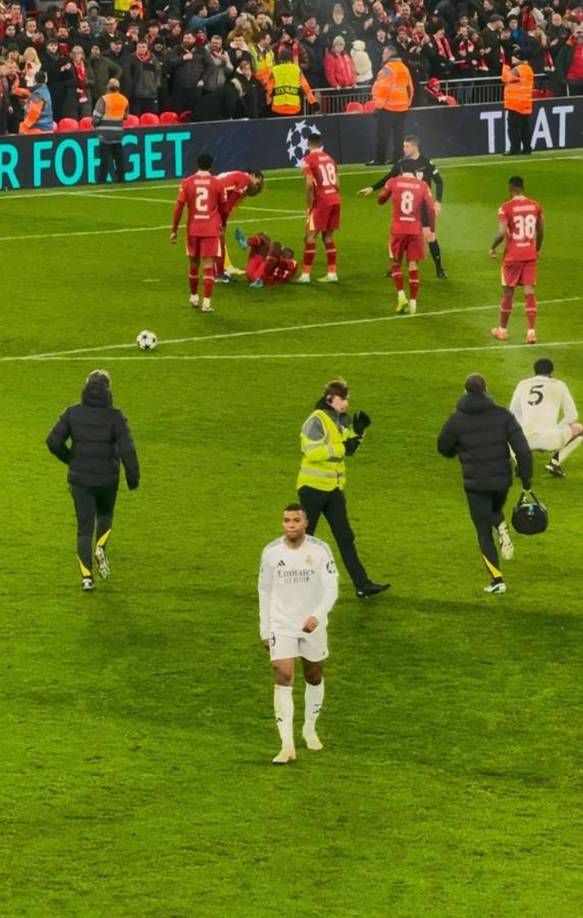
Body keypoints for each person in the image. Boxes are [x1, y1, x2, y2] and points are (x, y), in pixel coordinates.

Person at [437, 373, 532, 595]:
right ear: (486, 389)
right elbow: (522, 449)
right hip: (502, 482)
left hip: (476, 483)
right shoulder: (503, 415)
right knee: (493, 510)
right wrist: (526, 478)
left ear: (465, 391)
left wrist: (456, 450)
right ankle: (499, 523)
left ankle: (497, 579)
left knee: (482, 530)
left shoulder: (457, 418)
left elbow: (443, 446)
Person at [258, 503, 339, 764]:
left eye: (295, 521)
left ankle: (309, 728)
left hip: (311, 623)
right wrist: (264, 627)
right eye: (286, 521)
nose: (290, 525)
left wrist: (318, 615)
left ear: (305, 523)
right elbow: (265, 590)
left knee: (313, 675)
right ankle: (286, 745)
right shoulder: (271, 552)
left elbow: (331, 588)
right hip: (281, 624)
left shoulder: (319, 550)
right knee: (283, 674)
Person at [46, 369, 140, 592]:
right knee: (105, 514)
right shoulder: (116, 416)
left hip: (80, 481)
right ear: (108, 391)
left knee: (84, 528)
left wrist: (70, 459)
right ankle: (101, 547)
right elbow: (127, 449)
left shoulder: (72, 412)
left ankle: (87, 578)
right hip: (107, 479)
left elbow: (52, 441)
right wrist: (133, 477)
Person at [297, 378, 389, 600]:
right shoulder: (316, 420)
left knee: (345, 536)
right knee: (304, 538)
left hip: (333, 489)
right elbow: (311, 452)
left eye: (347, 399)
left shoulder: (339, 420)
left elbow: (349, 450)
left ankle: (362, 584)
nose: (346, 403)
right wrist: (342, 446)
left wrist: (359, 432)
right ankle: (292, 584)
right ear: (330, 399)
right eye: (343, 399)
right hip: (313, 488)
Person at [358, 135, 447, 279]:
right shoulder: (401, 163)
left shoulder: (427, 162)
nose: (404, 149)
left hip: (424, 206)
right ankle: (394, 268)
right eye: (403, 146)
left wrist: (438, 202)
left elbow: (439, 182)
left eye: (407, 146)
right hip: (408, 208)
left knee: (429, 236)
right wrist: (372, 187)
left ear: (414, 147)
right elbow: (389, 177)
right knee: (398, 236)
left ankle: (439, 269)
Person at [490, 175, 543, 345]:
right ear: (523, 187)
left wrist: (492, 247)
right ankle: (531, 333)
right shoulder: (535, 205)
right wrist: (537, 249)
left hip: (512, 255)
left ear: (510, 188)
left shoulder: (506, 207)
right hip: (529, 253)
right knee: (529, 291)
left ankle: (503, 330)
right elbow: (541, 231)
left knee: (508, 292)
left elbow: (501, 232)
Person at [509, 358, 583, 478]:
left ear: (534, 372)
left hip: (524, 442)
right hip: (552, 439)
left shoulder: (522, 385)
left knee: (504, 429)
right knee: (579, 428)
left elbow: (512, 414)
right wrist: (557, 429)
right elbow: (572, 415)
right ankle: (555, 461)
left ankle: (521, 462)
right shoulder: (560, 385)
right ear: (552, 372)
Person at [170, 152, 224, 313]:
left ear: (197, 164)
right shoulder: (217, 183)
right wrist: (222, 224)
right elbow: (224, 207)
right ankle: (206, 302)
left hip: (193, 228)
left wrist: (174, 230)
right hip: (210, 229)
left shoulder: (187, 182)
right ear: (211, 165)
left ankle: (194, 297)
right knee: (208, 265)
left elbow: (179, 207)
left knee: (193, 263)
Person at [377, 170, 435, 315]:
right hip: (415, 230)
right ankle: (413, 303)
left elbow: (381, 199)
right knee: (413, 265)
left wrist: (386, 192)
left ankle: (401, 296)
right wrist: (431, 230)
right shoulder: (423, 185)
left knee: (395, 262)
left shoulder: (393, 181)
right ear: (415, 173)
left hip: (398, 230)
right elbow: (431, 209)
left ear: (402, 171)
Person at [296, 133, 340, 284]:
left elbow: (309, 184)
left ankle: (306, 275)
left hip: (321, 201)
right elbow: (338, 184)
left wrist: (310, 203)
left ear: (308, 145)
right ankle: (332, 273)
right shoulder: (330, 158)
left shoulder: (309, 160)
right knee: (328, 237)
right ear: (320, 144)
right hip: (335, 198)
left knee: (310, 236)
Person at [365, 45, 413, 167]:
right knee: (399, 135)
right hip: (402, 107)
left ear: (389, 54)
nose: (382, 55)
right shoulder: (404, 68)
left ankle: (380, 159)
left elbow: (381, 89)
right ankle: (398, 158)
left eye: (384, 53)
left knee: (382, 135)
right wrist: (407, 103)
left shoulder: (387, 69)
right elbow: (410, 88)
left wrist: (378, 106)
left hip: (388, 107)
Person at [215, 169, 264, 282]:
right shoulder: (245, 179)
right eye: (257, 182)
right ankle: (219, 273)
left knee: (217, 238)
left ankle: (220, 270)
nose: (257, 185)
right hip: (214, 202)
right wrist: (224, 218)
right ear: (252, 175)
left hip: (210, 198)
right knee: (218, 238)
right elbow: (234, 197)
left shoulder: (235, 175)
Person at [92, 77, 129, 184]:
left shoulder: (103, 99)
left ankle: (101, 180)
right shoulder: (124, 99)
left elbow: (96, 117)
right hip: (118, 133)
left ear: (108, 87)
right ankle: (121, 179)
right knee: (119, 158)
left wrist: (94, 124)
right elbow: (125, 116)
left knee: (104, 159)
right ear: (118, 88)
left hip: (105, 134)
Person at [502, 46, 534, 156]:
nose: (512, 58)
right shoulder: (528, 68)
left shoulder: (518, 69)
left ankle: (514, 149)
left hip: (515, 104)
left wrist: (505, 66)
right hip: (525, 103)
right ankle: (527, 148)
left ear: (519, 58)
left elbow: (505, 78)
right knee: (525, 128)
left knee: (514, 128)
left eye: (514, 56)